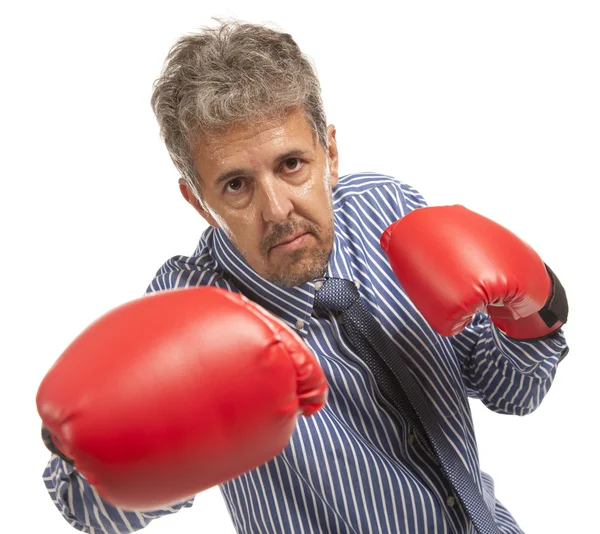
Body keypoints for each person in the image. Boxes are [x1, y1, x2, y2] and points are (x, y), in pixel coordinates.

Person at [38, 19, 569, 534]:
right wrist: (121, 447)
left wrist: (534, 310)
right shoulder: (188, 304)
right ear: (199, 202)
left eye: (291, 164)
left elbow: (515, 392)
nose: (276, 209)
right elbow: (88, 511)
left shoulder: (388, 211)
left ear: (330, 154)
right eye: (236, 186)